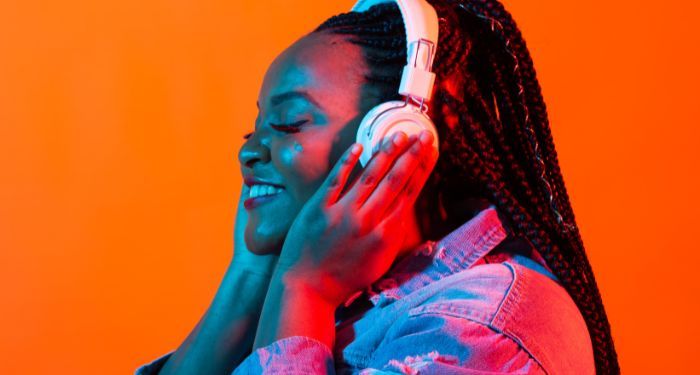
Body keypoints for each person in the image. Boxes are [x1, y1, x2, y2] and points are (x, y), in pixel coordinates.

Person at [136, 0, 619, 373]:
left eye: (286, 124)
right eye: (253, 130)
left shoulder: (484, 328)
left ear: (397, 137)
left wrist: (303, 289)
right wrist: (251, 273)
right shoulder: (356, 293)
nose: (248, 153)